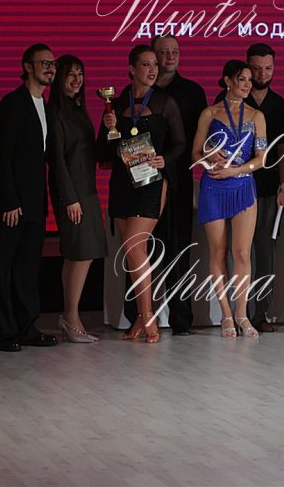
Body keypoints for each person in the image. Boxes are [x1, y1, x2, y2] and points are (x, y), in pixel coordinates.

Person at [98, 44, 185, 343]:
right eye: (146, 64)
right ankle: (140, 316)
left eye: (155, 65)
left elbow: (180, 143)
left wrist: (165, 159)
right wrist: (107, 128)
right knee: (133, 253)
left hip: (151, 181)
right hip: (123, 184)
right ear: (132, 69)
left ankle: (149, 317)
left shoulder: (165, 102)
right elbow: (103, 152)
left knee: (136, 247)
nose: (152, 70)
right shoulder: (116, 103)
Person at [0, 43, 58, 352]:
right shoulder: (12, 104)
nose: (50, 68)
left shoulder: (47, 106)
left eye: (53, 64)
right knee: (3, 269)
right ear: (27, 67)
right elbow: (1, 157)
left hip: (35, 203)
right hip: (10, 204)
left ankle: (26, 328)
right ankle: (4, 332)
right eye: (44, 63)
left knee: (27, 268)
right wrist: (10, 201)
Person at [214, 43, 284, 333]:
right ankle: (234, 313)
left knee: (264, 250)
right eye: (255, 69)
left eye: (268, 68)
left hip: (267, 186)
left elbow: (283, 148)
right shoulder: (222, 103)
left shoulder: (278, 104)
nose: (261, 74)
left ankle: (259, 314)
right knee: (233, 250)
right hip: (230, 186)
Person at [194, 61, 269, 338]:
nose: (247, 84)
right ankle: (226, 314)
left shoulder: (257, 116)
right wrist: (208, 156)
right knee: (217, 251)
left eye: (250, 79)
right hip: (213, 187)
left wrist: (235, 171)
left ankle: (242, 314)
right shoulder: (210, 113)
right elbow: (195, 153)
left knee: (242, 253)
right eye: (242, 79)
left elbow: (261, 159)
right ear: (227, 81)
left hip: (243, 185)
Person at [47, 55, 108, 342]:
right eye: (70, 74)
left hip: (87, 190)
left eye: (80, 74)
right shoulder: (55, 112)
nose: (76, 80)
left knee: (77, 255)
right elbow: (57, 160)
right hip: (72, 193)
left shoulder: (78, 109)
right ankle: (71, 318)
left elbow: (90, 152)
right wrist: (70, 198)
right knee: (81, 253)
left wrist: (108, 128)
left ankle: (68, 316)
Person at [152, 34, 207, 335]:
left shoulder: (193, 92)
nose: (170, 57)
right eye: (164, 52)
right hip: (144, 183)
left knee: (179, 250)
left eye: (175, 51)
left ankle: (181, 318)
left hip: (180, 180)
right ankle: (139, 316)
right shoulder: (138, 92)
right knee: (143, 250)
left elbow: (202, 138)